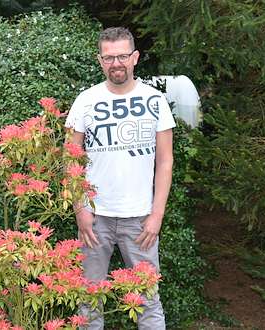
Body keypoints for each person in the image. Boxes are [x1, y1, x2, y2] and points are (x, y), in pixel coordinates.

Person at [65, 27, 175, 329]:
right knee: (88, 300)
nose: (117, 63)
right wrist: (80, 210)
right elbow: (69, 159)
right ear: (100, 61)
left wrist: (157, 215)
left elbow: (165, 161)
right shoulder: (85, 100)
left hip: (141, 221)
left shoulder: (155, 100)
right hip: (95, 219)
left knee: (148, 300)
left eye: (123, 56)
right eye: (109, 57)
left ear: (135, 57)